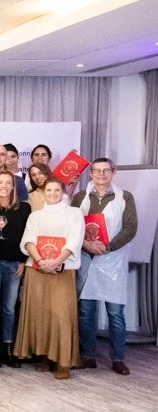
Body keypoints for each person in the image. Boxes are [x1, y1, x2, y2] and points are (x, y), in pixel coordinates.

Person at [15, 178, 84, 379]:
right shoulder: (36, 216)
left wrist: (55, 262)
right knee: (41, 314)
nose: (52, 193)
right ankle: (45, 356)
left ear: (63, 191)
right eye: (49, 190)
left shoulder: (74, 213)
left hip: (63, 270)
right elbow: (28, 240)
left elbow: (75, 239)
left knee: (62, 316)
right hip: (37, 271)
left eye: (56, 190)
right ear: (43, 192)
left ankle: (63, 361)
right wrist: (40, 261)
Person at [73, 158, 137, 375]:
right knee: (86, 311)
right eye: (97, 170)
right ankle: (88, 355)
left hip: (113, 260)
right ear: (90, 173)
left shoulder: (124, 197)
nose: (101, 174)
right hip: (86, 258)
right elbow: (71, 226)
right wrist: (87, 244)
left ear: (113, 172)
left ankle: (118, 358)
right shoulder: (80, 197)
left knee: (115, 312)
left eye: (106, 170)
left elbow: (130, 228)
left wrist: (107, 247)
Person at [0, 171, 30, 368]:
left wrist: (23, 261)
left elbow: (29, 237)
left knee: (9, 309)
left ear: (14, 186)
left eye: (7, 183)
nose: (3, 186)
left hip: (15, 263)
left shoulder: (24, 209)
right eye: (0, 182)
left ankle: (8, 347)